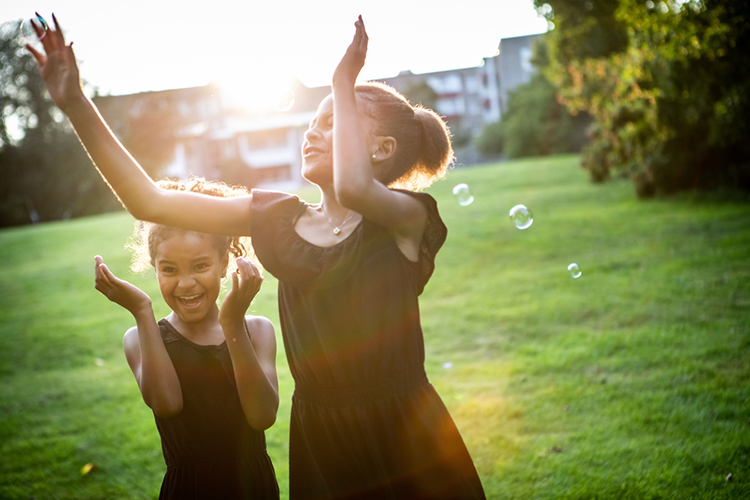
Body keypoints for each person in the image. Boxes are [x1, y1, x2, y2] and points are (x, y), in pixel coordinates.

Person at [29, 13, 485, 499]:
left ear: (382, 148)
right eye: (314, 120)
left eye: (334, 121)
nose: (312, 131)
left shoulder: (404, 220)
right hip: (321, 436)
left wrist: (340, 81)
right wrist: (76, 103)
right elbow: (151, 202)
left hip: (405, 430)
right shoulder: (280, 219)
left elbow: (354, 188)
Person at [93, 178, 280, 500]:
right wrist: (141, 309)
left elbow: (262, 416)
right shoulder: (140, 338)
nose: (186, 283)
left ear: (224, 264)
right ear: (154, 269)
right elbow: (167, 404)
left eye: (200, 266)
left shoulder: (257, 330)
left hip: (254, 486)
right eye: (169, 270)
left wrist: (232, 323)